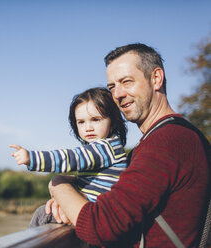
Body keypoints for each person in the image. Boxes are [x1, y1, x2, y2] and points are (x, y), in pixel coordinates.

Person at [47, 43, 210, 247]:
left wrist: (60, 185)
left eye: (126, 82)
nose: (118, 94)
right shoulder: (173, 137)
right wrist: (73, 199)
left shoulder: (167, 141)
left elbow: (101, 226)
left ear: (156, 78)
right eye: (112, 87)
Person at [9, 87, 127, 227]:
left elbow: (70, 158)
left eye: (95, 120)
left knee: (42, 214)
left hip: (93, 213)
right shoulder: (108, 148)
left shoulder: (105, 148)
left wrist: (32, 158)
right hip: (90, 208)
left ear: (112, 121)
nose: (88, 127)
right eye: (81, 122)